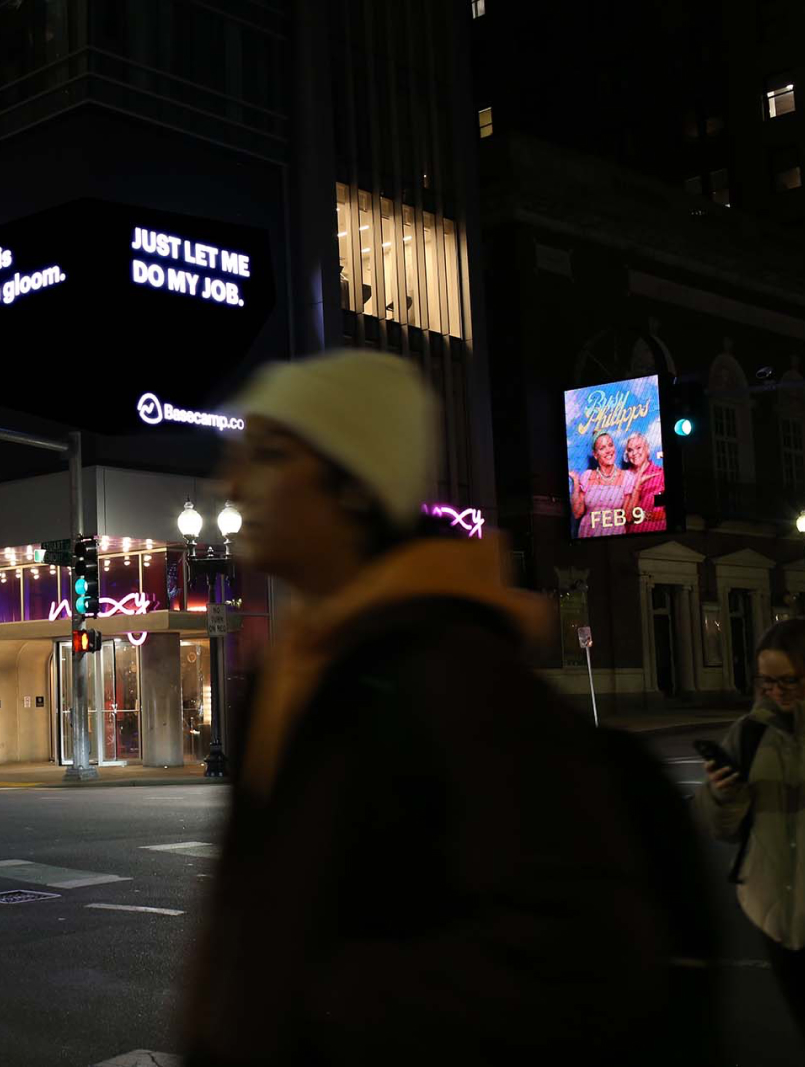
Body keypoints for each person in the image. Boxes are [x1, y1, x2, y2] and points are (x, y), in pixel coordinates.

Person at [180, 351, 669, 1065]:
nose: (232, 483)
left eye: (271, 455)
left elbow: (581, 953)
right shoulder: (290, 670)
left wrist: (305, 1010)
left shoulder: (457, 677)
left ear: (353, 486)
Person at [694, 619, 805, 1065]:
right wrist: (723, 795)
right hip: (774, 914)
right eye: (766, 681)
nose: (775, 692)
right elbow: (720, 828)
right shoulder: (751, 732)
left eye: (787, 681)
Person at [569, 431, 637, 537]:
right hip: (588, 534)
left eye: (610, 445)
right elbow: (577, 513)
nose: (608, 450)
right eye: (602, 448)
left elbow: (628, 517)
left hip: (615, 534)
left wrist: (638, 486)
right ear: (595, 455)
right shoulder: (587, 476)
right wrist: (576, 482)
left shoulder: (627, 477)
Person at [622, 432, 667, 534]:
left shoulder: (660, 474)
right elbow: (626, 516)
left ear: (647, 450)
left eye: (638, 448)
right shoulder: (624, 478)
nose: (634, 453)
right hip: (631, 535)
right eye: (630, 450)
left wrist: (646, 516)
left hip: (658, 532)